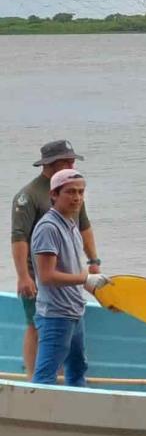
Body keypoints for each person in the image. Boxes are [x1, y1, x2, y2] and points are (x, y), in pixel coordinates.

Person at [11, 140, 101, 379]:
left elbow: (84, 227)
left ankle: (58, 387)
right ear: (51, 164)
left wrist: (94, 260)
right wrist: (24, 276)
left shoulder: (72, 189)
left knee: (74, 362)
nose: (72, 163)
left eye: (80, 193)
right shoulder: (29, 196)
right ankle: (35, 381)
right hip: (40, 275)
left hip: (68, 284)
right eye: (67, 160)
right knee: (36, 326)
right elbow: (19, 238)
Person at [30, 169, 110, 386]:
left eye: (81, 192)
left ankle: (78, 415)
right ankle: (37, 418)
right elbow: (47, 276)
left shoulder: (71, 225)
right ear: (54, 195)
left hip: (75, 311)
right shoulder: (48, 228)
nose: (77, 198)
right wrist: (84, 280)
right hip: (56, 315)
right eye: (70, 192)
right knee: (45, 377)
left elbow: (73, 272)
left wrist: (102, 293)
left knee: (77, 371)